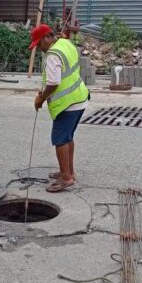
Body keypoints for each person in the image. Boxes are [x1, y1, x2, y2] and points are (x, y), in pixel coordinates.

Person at [29, 24, 90, 193]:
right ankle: (68, 171)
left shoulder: (53, 55)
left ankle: (66, 178)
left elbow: (54, 82)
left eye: (39, 44)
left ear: (47, 38)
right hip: (79, 98)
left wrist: (40, 99)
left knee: (60, 139)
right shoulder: (65, 43)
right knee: (68, 137)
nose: (39, 48)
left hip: (67, 104)